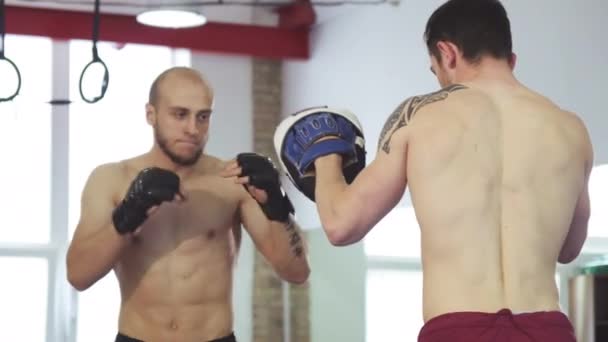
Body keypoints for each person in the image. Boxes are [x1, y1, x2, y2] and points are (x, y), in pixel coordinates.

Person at [274, 0, 593, 341]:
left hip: (459, 330)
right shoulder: (571, 130)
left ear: (448, 52)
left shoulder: (419, 116)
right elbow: (569, 249)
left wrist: (325, 153)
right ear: (510, 58)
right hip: (547, 329)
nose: (439, 79)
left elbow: (340, 225)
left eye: (435, 69)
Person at [66, 66, 310, 342]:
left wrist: (276, 203)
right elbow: (78, 275)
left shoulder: (232, 182)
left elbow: (297, 271)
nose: (193, 129)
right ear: (151, 114)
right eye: (180, 114)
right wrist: (129, 212)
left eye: (203, 116)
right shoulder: (111, 179)